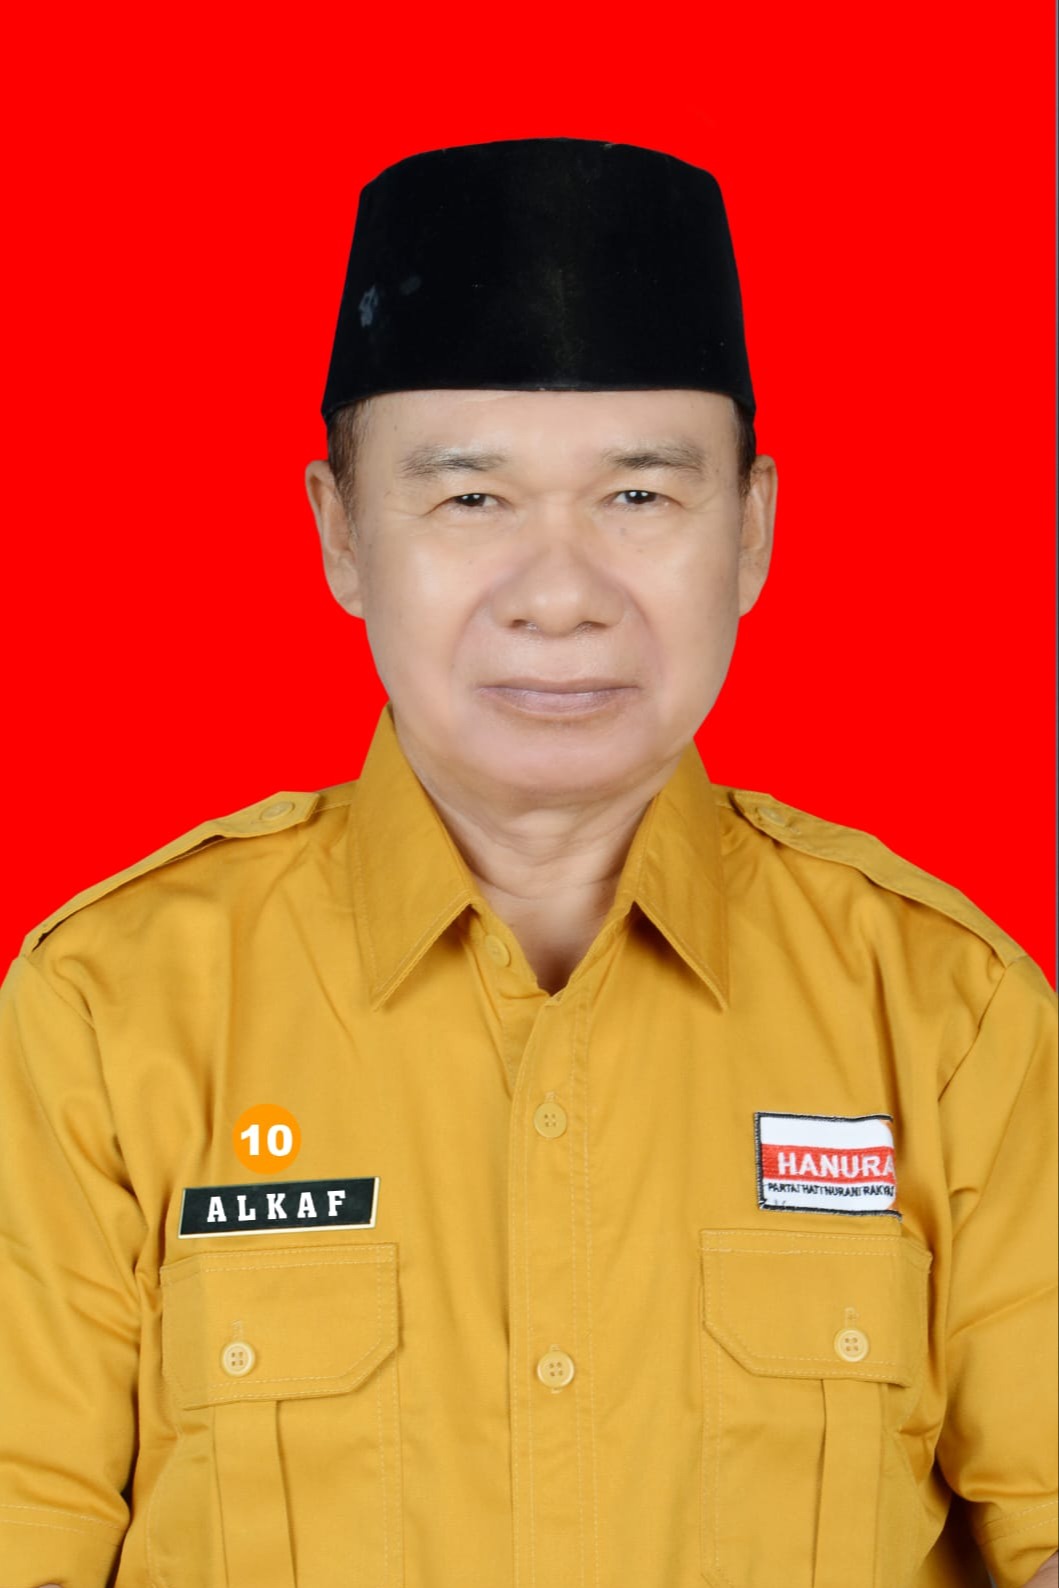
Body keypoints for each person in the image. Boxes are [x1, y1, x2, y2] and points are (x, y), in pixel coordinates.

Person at [1, 136, 1054, 1588]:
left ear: (751, 530)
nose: (560, 597)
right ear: (340, 534)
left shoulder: (949, 1019)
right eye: (471, 499)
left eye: (639, 497)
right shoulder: (107, 1016)